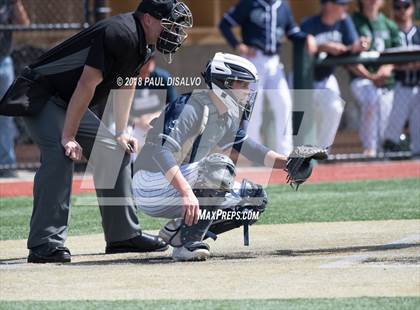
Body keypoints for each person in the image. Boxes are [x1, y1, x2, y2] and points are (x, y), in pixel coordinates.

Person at [0, 0, 193, 263]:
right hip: (41, 94)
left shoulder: (143, 42)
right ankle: (44, 243)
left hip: (67, 101)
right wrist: (68, 136)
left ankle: (123, 236)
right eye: (169, 24)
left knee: (115, 151)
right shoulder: (121, 33)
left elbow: (127, 84)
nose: (174, 32)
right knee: (61, 153)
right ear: (148, 19)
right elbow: (86, 84)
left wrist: (122, 131)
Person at [132, 53, 324, 261]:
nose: (248, 92)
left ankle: (182, 233)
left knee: (254, 198)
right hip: (150, 183)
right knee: (220, 167)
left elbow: (251, 149)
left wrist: (288, 163)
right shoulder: (191, 107)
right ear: (225, 83)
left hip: (175, 184)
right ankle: (188, 245)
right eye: (243, 84)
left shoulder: (224, 113)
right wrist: (186, 192)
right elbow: (162, 152)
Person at [219, 0, 317, 156]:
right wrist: (238, 45)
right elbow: (224, 24)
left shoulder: (283, 5)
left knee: (284, 103)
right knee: (253, 108)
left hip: (274, 62)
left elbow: (292, 32)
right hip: (253, 60)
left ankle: (284, 153)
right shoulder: (249, 3)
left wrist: (307, 37)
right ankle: (253, 153)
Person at [301, 0, 368, 149]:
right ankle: (292, 157)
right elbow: (305, 50)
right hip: (302, 79)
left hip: (325, 78)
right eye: (341, 4)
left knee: (335, 108)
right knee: (299, 122)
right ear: (329, 5)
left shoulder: (344, 21)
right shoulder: (308, 24)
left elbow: (353, 45)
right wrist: (323, 47)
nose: (345, 7)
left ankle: (322, 151)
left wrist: (358, 45)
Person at [349, 0, 402, 157]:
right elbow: (348, 59)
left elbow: (398, 54)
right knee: (371, 101)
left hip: (386, 80)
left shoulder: (389, 24)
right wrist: (370, 76)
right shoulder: (352, 21)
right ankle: (369, 150)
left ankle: (382, 157)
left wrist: (387, 68)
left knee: (385, 121)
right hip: (361, 78)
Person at [383, 0, 420, 156]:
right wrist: (404, 66)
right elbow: (385, 61)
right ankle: (384, 163)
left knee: (418, 130)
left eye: (406, 6)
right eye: (398, 7)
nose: (402, 10)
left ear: (413, 8)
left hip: (418, 86)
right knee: (392, 129)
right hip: (398, 85)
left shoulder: (418, 31)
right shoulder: (390, 32)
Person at [0, 0, 29, 178]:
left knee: (5, 113)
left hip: (3, 60)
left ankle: (6, 164)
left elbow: (25, 24)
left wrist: (16, 3)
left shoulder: (8, 3)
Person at [131, 56, 177, 151]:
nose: (148, 68)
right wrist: (137, 120)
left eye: (150, 63)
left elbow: (174, 105)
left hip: (157, 122)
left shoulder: (163, 77)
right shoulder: (129, 78)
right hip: (134, 124)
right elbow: (120, 106)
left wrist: (157, 116)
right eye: (145, 64)